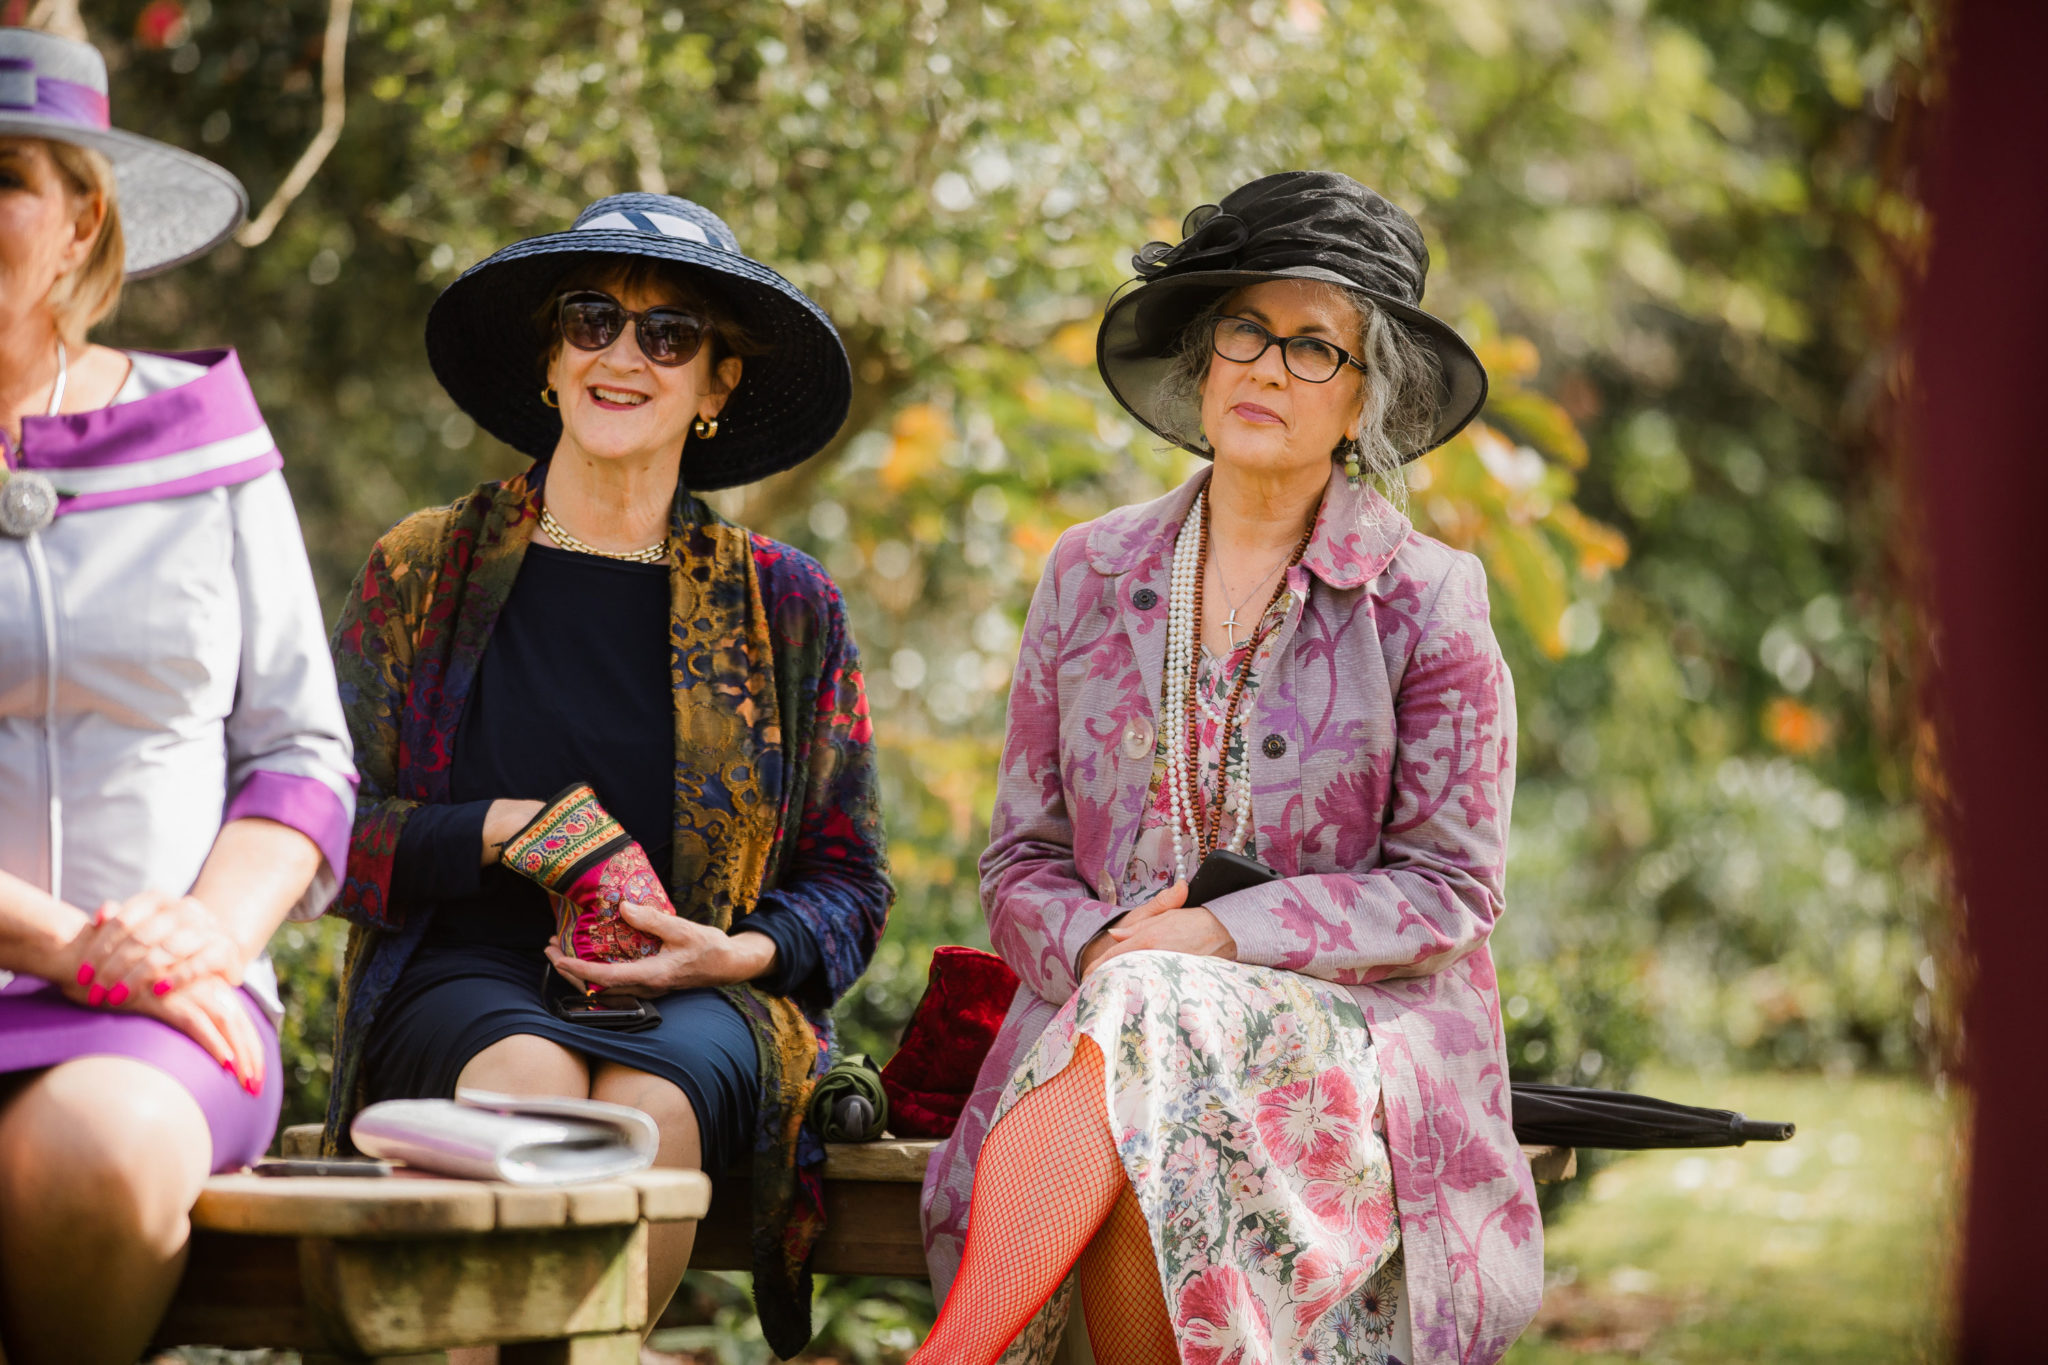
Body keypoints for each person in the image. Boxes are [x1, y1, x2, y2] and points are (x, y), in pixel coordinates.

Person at [916, 172, 1539, 1365]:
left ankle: (952, 1356)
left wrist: (1215, 937)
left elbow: (1452, 891)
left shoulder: (1427, 598)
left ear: (1365, 402)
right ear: (1203, 362)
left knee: (1149, 1015)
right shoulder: (1086, 573)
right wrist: (1109, 951)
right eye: (1246, 332)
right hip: (1107, 1023)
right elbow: (1019, 860)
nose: (1266, 368)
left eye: (1316, 349)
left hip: (1351, 1044)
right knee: (1139, 1026)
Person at [325, 192, 890, 1359]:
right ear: (549, 358)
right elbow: (324, 824)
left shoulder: (785, 603)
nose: (622, 354)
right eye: (591, 320)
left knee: (640, 1126)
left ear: (717, 382)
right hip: (465, 970)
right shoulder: (425, 567)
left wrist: (734, 952)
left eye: (667, 333)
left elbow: (848, 880)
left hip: (696, 999)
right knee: (525, 1088)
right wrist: (493, 829)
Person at [0, 25, 358, 1365]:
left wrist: (201, 939)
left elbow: (301, 753)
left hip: (164, 1011)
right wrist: (64, 941)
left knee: (87, 1155)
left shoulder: (205, 441)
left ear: (84, 213)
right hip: (74, 963)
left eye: (2, 179)